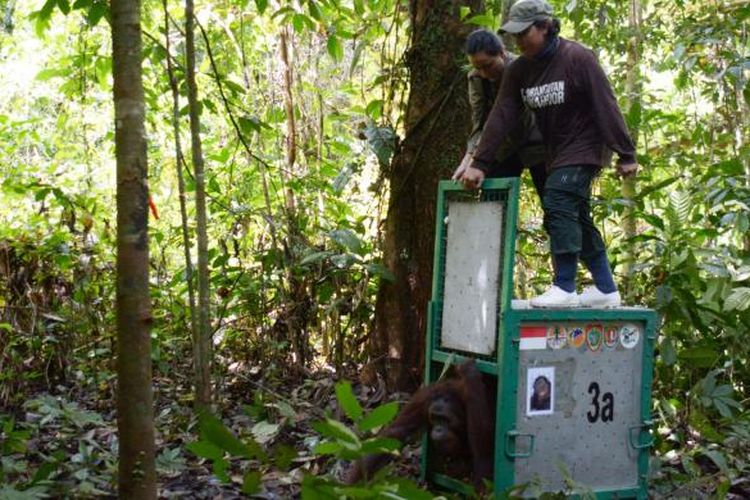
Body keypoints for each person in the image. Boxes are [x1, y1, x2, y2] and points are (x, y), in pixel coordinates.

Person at [459, 0, 638, 308]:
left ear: (544, 26)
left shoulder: (577, 57)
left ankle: (565, 286)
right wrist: (480, 163)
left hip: (586, 145)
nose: (517, 41)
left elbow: (605, 103)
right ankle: (606, 289)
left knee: (557, 199)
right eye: (513, 36)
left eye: (523, 33)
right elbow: (501, 114)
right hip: (556, 150)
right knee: (576, 215)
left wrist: (626, 153)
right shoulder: (520, 69)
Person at [452, 29, 546, 200]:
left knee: (554, 204)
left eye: (488, 65)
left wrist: (475, 157)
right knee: (493, 203)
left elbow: (514, 116)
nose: (484, 73)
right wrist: (469, 158)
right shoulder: (476, 78)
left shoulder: (522, 68)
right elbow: (480, 121)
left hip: (536, 141)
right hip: (501, 147)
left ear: (502, 53)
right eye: (477, 67)